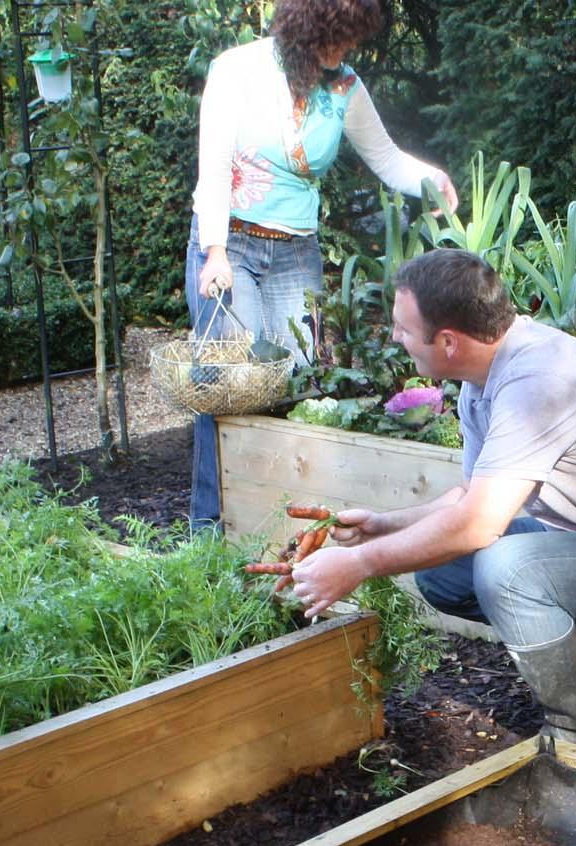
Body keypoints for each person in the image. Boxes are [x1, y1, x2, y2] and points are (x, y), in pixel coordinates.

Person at [290, 248, 576, 753]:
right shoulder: (482, 376)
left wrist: (356, 564)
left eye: (402, 328)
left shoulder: (537, 382)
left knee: (506, 569)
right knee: (444, 572)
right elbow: (470, 497)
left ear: (448, 341)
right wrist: (383, 525)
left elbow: (477, 526)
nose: (394, 337)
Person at [185, 0, 457, 530]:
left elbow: (386, 157)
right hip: (230, 243)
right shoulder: (237, 70)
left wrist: (432, 179)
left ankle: (279, 529)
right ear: (309, 27)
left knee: (298, 382)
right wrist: (214, 251)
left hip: (295, 251)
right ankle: (210, 531)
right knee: (227, 384)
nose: (347, 49)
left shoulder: (344, 87)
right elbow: (214, 165)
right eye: (340, 36)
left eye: (353, 38)